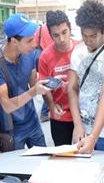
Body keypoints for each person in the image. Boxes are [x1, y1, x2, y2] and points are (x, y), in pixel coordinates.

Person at [67, 0, 104, 153]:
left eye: (92, 36)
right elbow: (72, 89)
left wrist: (93, 137)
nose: (88, 40)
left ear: (103, 30)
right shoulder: (77, 52)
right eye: (84, 35)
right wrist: (78, 124)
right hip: (83, 130)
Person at [0, 13, 50, 150]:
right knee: (17, 169)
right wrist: (34, 91)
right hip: (12, 129)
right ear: (14, 41)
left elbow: (33, 83)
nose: (34, 45)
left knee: (44, 161)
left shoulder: (29, 54)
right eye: (29, 41)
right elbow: (7, 106)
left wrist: (49, 81)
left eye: (33, 39)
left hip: (33, 122)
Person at [38, 10, 79, 146]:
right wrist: (51, 104)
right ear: (50, 35)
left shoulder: (82, 49)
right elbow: (44, 87)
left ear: (70, 29)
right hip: (60, 119)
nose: (61, 39)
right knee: (63, 161)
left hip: (83, 116)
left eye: (64, 32)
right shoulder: (45, 56)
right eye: (56, 35)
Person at [34, 23, 54, 122]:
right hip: (45, 57)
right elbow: (52, 45)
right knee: (50, 85)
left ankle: (45, 112)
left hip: (37, 55)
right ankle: (44, 112)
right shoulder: (50, 28)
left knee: (44, 83)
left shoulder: (40, 27)